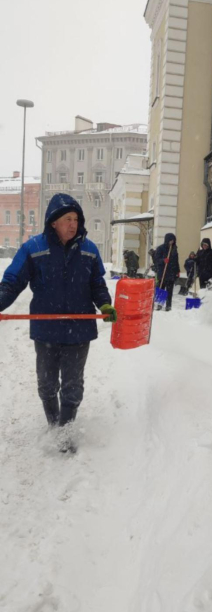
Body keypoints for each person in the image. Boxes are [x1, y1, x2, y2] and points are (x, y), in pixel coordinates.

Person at [0, 192, 116, 452]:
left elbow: (97, 284)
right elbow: (11, 283)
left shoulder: (89, 249)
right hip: (46, 331)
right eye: (67, 219)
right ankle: (54, 424)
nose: (73, 224)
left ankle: (64, 434)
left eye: (76, 218)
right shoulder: (34, 248)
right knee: (47, 385)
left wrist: (105, 304)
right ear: (54, 222)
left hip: (79, 331)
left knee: (73, 386)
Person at [154, 232, 180, 311]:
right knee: (161, 288)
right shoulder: (160, 248)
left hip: (171, 273)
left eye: (173, 240)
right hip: (162, 273)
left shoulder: (174, 249)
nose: (172, 242)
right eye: (170, 240)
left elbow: (176, 261)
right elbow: (156, 260)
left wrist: (177, 271)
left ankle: (168, 305)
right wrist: (163, 260)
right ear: (167, 240)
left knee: (170, 291)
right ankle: (159, 304)